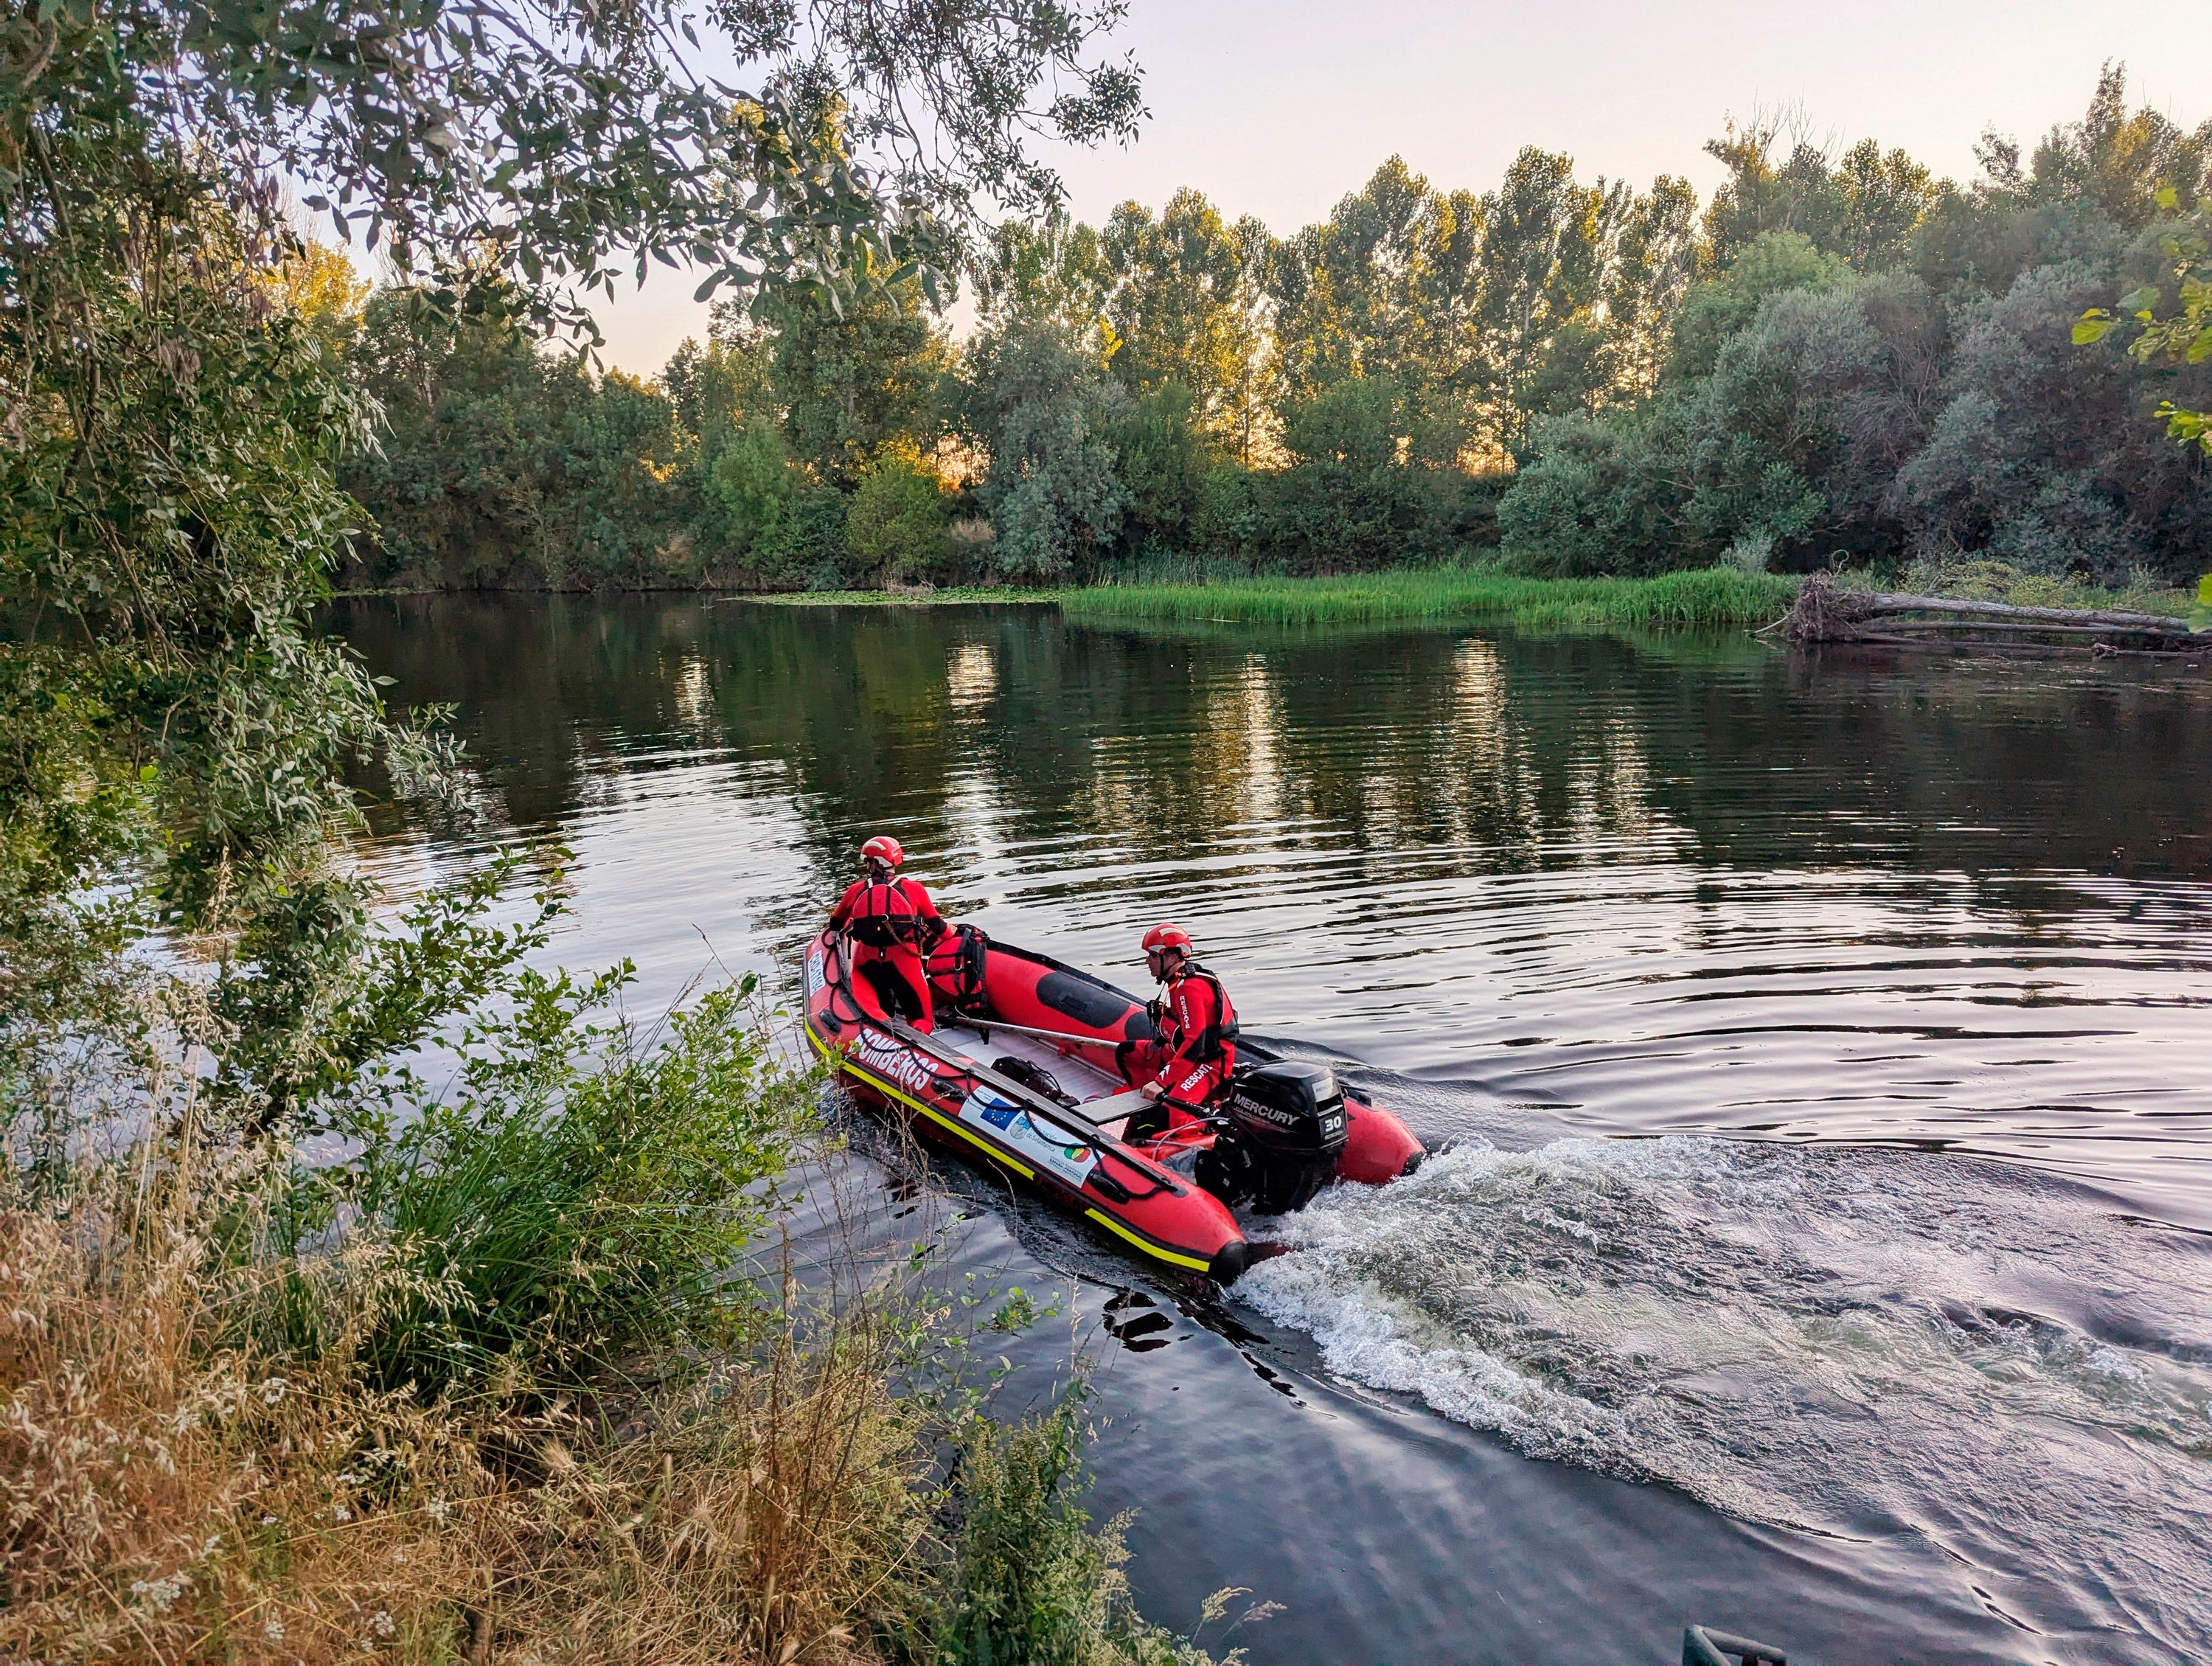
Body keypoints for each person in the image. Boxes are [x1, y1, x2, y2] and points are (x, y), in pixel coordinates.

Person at [1130, 923, 1239, 1126]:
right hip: (1191, 1055)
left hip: (1210, 1064)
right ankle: (1139, 1102)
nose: (1147, 962)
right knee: (1129, 1052)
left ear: (1171, 957)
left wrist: (1161, 1082)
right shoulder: (1179, 982)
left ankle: (1206, 1132)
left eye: (1152, 956)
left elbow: (1195, 1042)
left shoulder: (1188, 988)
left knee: (1176, 1110)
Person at [829, 835, 942, 1031]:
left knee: (876, 1014)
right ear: (895, 859)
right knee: (922, 1019)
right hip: (904, 960)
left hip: (867, 962)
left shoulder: (855, 890)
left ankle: (881, 1028)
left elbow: (835, 924)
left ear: (868, 863)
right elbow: (938, 927)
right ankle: (918, 1040)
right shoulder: (914, 889)